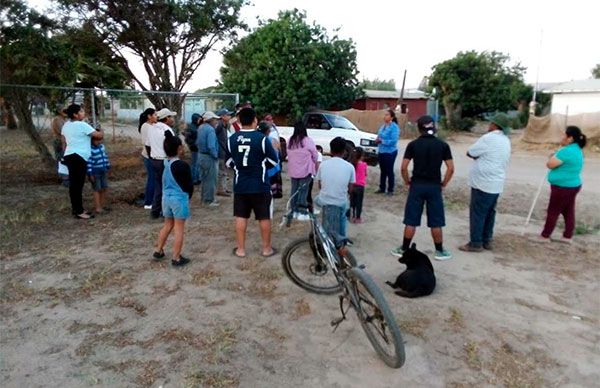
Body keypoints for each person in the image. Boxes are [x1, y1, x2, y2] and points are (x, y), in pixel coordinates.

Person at [392, 115, 454, 261]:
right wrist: (443, 183)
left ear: (419, 128)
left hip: (417, 186)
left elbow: (403, 168)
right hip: (434, 186)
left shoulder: (413, 145)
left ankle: (404, 248)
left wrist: (408, 182)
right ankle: (439, 250)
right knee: (436, 220)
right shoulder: (443, 145)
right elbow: (451, 168)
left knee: (411, 220)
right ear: (433, 127)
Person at [227, 107, 279, 258]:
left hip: (241, 185)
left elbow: (229, 161)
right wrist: (261, 167)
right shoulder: (262, 138)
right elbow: (273, 160)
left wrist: (239, 167)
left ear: (239, 121)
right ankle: (266, 249)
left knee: (241, 216)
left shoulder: (232, 139)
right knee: (264, 217)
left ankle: (241, 250)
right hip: (260, 185)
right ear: (255, 120)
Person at [459, 113, 512, 252]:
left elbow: (470, 152)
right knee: (490, 212)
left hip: (482, 182)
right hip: (497, 182)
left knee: (477, 213)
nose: (489, 125)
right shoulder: (506, 140)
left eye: (490, 123)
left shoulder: (488, 138)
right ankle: (487, 240)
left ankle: (476, 242)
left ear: (494, 125)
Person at [532, 126, 586, 244]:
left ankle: (545, 236)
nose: (562, 137)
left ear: (570, 138)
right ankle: (567, 236)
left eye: (564, 135)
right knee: (568, 211)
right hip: (572, 185)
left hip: (563, 187)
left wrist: (554, 155)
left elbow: (550, 164)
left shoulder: (567, 151)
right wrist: (558, 153)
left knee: (553, 211)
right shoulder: (577, 149)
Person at [153, 131, 194, 267]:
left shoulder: (165, 164)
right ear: (179, 148)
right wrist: (189, 196)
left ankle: (158, 250)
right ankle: (176, 257)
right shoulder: (182, 165)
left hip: (166, 199)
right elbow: (189, 185)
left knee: (167, 225)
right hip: (179, 199)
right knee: (179, 228)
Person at [61, 104, 104, 219]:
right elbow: (98, 136)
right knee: (77, 185)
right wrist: (101, 129)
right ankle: (79, 211)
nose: (83, 113)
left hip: (70, 155)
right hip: (79, 157)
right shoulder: (82, 125)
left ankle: (77, 209)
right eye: (81, 111)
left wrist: (65, 154)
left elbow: (63, 142)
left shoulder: (66, 125)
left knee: (74, 185)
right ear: (75, 114)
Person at [314, 137, 356, 246]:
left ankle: (329, 237)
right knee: (343, 209)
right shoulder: (350, 167)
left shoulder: (323, 165)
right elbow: (350, 189)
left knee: (318, 199)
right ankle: (342, 238)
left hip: (324, 199)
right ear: (344, 151)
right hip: (340, 201)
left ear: (331, 151)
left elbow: (320, 186)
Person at [146, 108, 177, 219]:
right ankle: (166, 212)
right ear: (166, 118)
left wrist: (152, 157)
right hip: (165, 160)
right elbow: (172, 146)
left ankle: (155, 211)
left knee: (159, 186)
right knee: (168, 187)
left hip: (155, 160)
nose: (173, 119)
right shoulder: (167, 129)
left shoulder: (151, 128)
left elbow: (147, 145)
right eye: (171, 117)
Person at [286, 121, 318, 221]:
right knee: (303, 190)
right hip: (305, 169)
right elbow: (315, 154)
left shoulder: (290, 141)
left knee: (294, 190)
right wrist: (313, 161)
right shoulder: (307, 140)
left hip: (293, 170)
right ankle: (302, 211)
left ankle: (293, 209)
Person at [197, 111, 221, 206]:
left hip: (201, 155)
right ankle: (209, 200)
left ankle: (204, 198)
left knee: (204, 178)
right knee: (211, 179)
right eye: (215, 119)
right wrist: (215, 156)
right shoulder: (210, 130)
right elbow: (211, 146)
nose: (216, 121)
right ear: (211, 120)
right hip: (209, 157)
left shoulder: (201, 127)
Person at [375, 109, 400, 195]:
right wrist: (377, 140)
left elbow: (394, 141)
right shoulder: (383, 126)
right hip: (381, 151)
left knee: (389, 170)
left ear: (391, 117)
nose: (385, 116)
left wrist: (382, 141)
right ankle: (382, 188)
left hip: (390, 152)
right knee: (383, 170)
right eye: (384, 115)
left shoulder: (394, 127)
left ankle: (390, 189)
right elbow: (379, 135)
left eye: (387, 115)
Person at [87, 136, 111, 214]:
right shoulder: (90, 149)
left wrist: (108, 166)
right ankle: (97, 207)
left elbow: (105, 157)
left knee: (104, 188)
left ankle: (102, 205)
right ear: (92, 140)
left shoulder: (102, 147)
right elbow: (89, 162)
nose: (98, 141)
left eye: (100, 140)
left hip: (103, 170)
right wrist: (90, 174)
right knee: (97, 189)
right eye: (96, 140)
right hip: (95, 172)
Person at [139, 108, 157, 210]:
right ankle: (148, 202)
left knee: (154, 179)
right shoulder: (146, 127)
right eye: (154, 115)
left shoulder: (152, 125)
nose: (156, 117)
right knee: (152, 179)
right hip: (150, 156)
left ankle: (151, 200)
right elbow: (147, 144)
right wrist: (152, 158)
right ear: (149, 116)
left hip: (152, 156)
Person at [215, 108, 234, 196]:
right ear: (222, 117)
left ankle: (224, 188)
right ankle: (221, 189)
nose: (230, 116)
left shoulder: (224, 125)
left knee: (224, 171)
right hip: (220, 151)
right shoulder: (219, 125)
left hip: (224, 151)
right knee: (221, 172)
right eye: (227, 115)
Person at [350, 147, 368, 224]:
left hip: (352, 185)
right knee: (359, 202)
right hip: (360, 186)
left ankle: (352, 215)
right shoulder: (364, 165)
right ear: (362, 156)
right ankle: (358, 218)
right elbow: (365, 174)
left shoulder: (351, 164)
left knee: (352, 201)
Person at [184, 113, 202, 185]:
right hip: (194, 148)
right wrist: (194, 144)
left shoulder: (196, 126)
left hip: (197, 148)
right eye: (198, 119)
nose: (199, 121)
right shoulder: (191, 127)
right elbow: (187, 139)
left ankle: (197, 178)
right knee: (195, 164)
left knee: (197, 164)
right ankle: (194, 179)